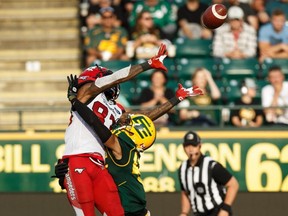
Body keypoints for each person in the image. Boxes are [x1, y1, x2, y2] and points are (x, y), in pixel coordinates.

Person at [56, 74, 203, 216]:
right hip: (133, 208)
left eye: (129, 125)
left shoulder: (119, 145)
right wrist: (177, 98)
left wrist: (74, 101)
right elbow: (146, 117)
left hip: (129, 209)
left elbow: (95, 123)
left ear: (132, 133)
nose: (125, 123)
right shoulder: (126, 145)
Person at [55, 44, 169, 216]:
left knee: (117, 213)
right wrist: (149, 64)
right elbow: (117, 77)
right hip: (78, 159)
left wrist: (177, 99)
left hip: (99, 165)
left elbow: (144, 118)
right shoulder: (87, 93)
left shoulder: (117, 109)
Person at [178, 131, 239, 216]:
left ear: (200, 146)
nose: (191, 149)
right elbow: (185, 193)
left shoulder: (211, 166)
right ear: (183, 148)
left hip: (217, 210)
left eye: (194, 145)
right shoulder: (182, 169)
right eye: (187, 146)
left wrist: (225, 209)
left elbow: (233, 184)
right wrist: (184, 212)